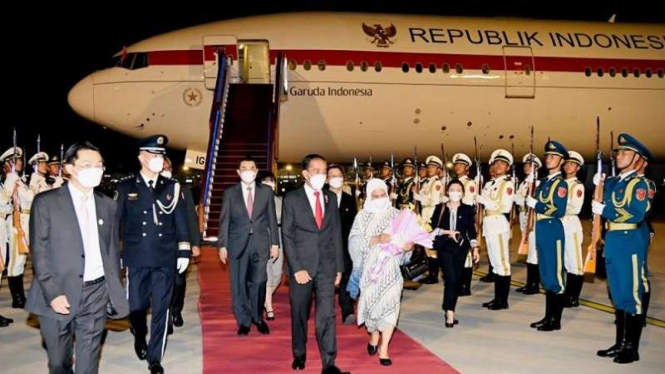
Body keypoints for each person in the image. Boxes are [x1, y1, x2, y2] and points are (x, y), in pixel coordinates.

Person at [25, 142, 130, 374]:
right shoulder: (46, 202)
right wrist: (52, 293)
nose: (95, 169)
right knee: (58, 362)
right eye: (87, 165)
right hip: (58, 292)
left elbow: (111, 250)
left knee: (88, 361)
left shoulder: (108, 205)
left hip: (96, 292)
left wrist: (114, 289)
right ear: (70, 168)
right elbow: (40, 251)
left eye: (99, 165)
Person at [115, 134, 191, 374]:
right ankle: (139, 334)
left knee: (162, 308)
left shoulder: (172, 187)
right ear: (141, 157)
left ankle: (155, 358)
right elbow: (117, 224)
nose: (158, 158)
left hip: (164, 257)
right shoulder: (126, 187)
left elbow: (181, 222)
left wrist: (183, 251)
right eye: (153, 154)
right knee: (136, 306)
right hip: (137, 257)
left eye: (160, 154)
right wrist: (116, 254)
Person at [281, 154, 349, 374]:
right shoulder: (292, 199)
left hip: (327, 266)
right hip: (301, 267)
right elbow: (288, 235)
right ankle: (299, 352)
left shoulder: (330, 197)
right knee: (300, 312)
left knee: (327, 314)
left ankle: (329, 363)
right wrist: (296, 268)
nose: (322, 175)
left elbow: (335, 233)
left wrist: (339, 267)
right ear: (305, 174)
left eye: (324, 171)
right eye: (317, 171)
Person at [594, 134, 650, 364]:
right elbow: (603, 198)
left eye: (625, 153)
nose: (619, 156)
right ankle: (620, 343)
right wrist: (600, 183)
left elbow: (637, 213)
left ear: (637, 158)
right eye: (618, 152)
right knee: (618, 293)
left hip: (629, 239)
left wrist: (604, 209)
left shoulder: (640, 184)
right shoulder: (617, 182)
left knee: (632, 294)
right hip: (614, 239)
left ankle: (631, 348)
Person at [349, 179, 414, 366]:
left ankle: (384, 348)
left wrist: (409, 247)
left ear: (387, 194)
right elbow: (353, 242)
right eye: (375, 196)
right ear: (369, 196)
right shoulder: (362, 217)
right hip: (370, 272)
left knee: (391, 307)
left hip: (392, 270)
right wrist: (376, 239)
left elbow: (407, 241)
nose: (379, 199)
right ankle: (374, 336)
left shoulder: (397, 215)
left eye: (382, 195)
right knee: (372, 310)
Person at [218, 156, 279, 335]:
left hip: (260, 243)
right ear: (238, 172)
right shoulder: (230, 193)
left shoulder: (266, 192)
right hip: (237, 244)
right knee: (239, 284)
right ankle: (243, 321)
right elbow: (224, 220)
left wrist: (275, 242)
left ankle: (257, 317)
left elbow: (271, 219)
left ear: (256, 171)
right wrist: (222, 245)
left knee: (260, 281)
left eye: (251, 168)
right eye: (244, 168)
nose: (248, 171)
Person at [526, 140, 569, 332]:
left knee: (555, 276)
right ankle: (548, 317)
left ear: (561, 160)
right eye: (548, 156)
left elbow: (558, 209)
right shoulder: (544, 182)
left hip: (552, 227)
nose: (548, 159)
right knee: (546, 274)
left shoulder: (561, 183)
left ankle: (555, 320)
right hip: (542, 227)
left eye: (553, 156)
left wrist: (537, 205)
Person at [431, 180, 479, 327]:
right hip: (445, 247)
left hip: (461, 247)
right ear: (447, 191)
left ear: (463, 193)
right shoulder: (440, 208)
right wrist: (447, 232)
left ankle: (449, 308)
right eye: (452, 189)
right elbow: (433, 227)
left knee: (456, 280)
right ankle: (450, 313)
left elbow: (471, 231)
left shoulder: (468, 209)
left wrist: (475, 247)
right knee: (450, 278)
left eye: (458, 190)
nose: (455, 192)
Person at [162, 157, 201, 331]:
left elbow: (191, 219)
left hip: (180, 244)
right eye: (162, 168)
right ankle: (166, 316)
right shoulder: (151, 191)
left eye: (168, 167)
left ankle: (176, 310)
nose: (166, 170)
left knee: (178, 282)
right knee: (162, 283)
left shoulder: (182, 190)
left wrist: (195, 242)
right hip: (160, 246)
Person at [476, 149, 515, 310]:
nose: (499, 166)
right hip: (488, 223)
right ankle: (497, 298)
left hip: (498, 222)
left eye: (503, 164)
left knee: (502, 263)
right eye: (496, 163)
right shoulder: (489, 184)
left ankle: (502, 300)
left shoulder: (507, 184)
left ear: (507, 168)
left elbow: (505, 206)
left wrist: (484, 201)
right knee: (495, 263)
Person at [1, 146, 34, 309]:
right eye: (16, 160)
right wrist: (11, 177)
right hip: (16, 224)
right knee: (15, 262)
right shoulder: (12, 179)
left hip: (24, 222)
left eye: (20, 159)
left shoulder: (18, 180)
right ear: (9, 163)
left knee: (20, 261)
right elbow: (29, 197)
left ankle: (20, 297)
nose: (20, 162)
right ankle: (18, 299)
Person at [327, 164, 358, 325]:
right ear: (327, 178)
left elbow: (354, 224)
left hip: (345, 244)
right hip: (325, 245)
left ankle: (347, 311)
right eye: (332, 175)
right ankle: (326, 311)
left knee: (346, 275)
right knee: (326, 278)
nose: (335, 178)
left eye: (338, 175)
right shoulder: (321, 197)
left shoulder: (350, 200)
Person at [514, 154, 542, 295]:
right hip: (523, 215)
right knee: (528, 249)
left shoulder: (538, 183)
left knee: (533, 252)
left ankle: (534, 284)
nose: (526, 167)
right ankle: (529, 283)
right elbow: (518, 198)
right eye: (525, 165)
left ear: (536, 168)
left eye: (530, 165)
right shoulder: (524, 183)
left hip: (533, 217)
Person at [451, 153, 478, 296]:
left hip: (464, 219)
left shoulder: (469, 183)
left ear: (467, 168)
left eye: (461, 165)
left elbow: (467, 202)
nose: (457, 167)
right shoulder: (453, 183)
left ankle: (465, 287)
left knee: (466, 255)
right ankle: (459, 283)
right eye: (456, 164)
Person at [258, 170, 283, 321]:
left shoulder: (280, 200)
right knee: (266, 273)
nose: (270, 184)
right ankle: (269, 307)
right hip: (263, 238)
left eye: (272, 181)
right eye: (266, 181)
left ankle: (261, 298)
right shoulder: (256, 201)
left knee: (277, 275)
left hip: (279, 238)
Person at [561, 151, 585, 307]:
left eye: (572, 164)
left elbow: (575, 207)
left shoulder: (577, 186)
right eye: (567, 163)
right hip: (560, 224)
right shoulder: (560, 184)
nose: (568, 166)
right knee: (564, 261)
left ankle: (573, 297)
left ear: (577, 167)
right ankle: (566, 293)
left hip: (571, 225)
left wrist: (555, 207)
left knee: (574, 263)